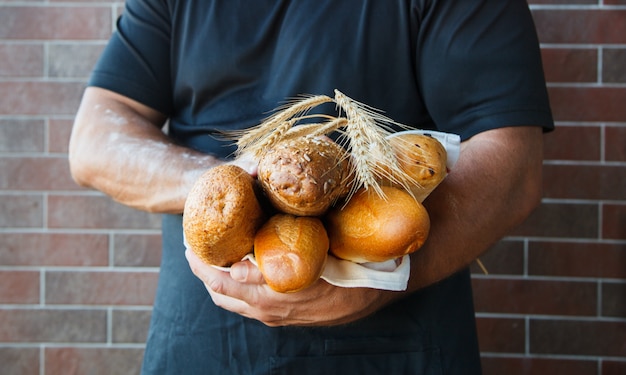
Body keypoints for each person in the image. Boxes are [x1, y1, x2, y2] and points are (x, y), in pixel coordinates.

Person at [69, 1, 554, 374]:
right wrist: (231, 185)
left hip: (394, 349)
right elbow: (95, 137)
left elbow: (512, 164)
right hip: (201, 344)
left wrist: (385, 280)